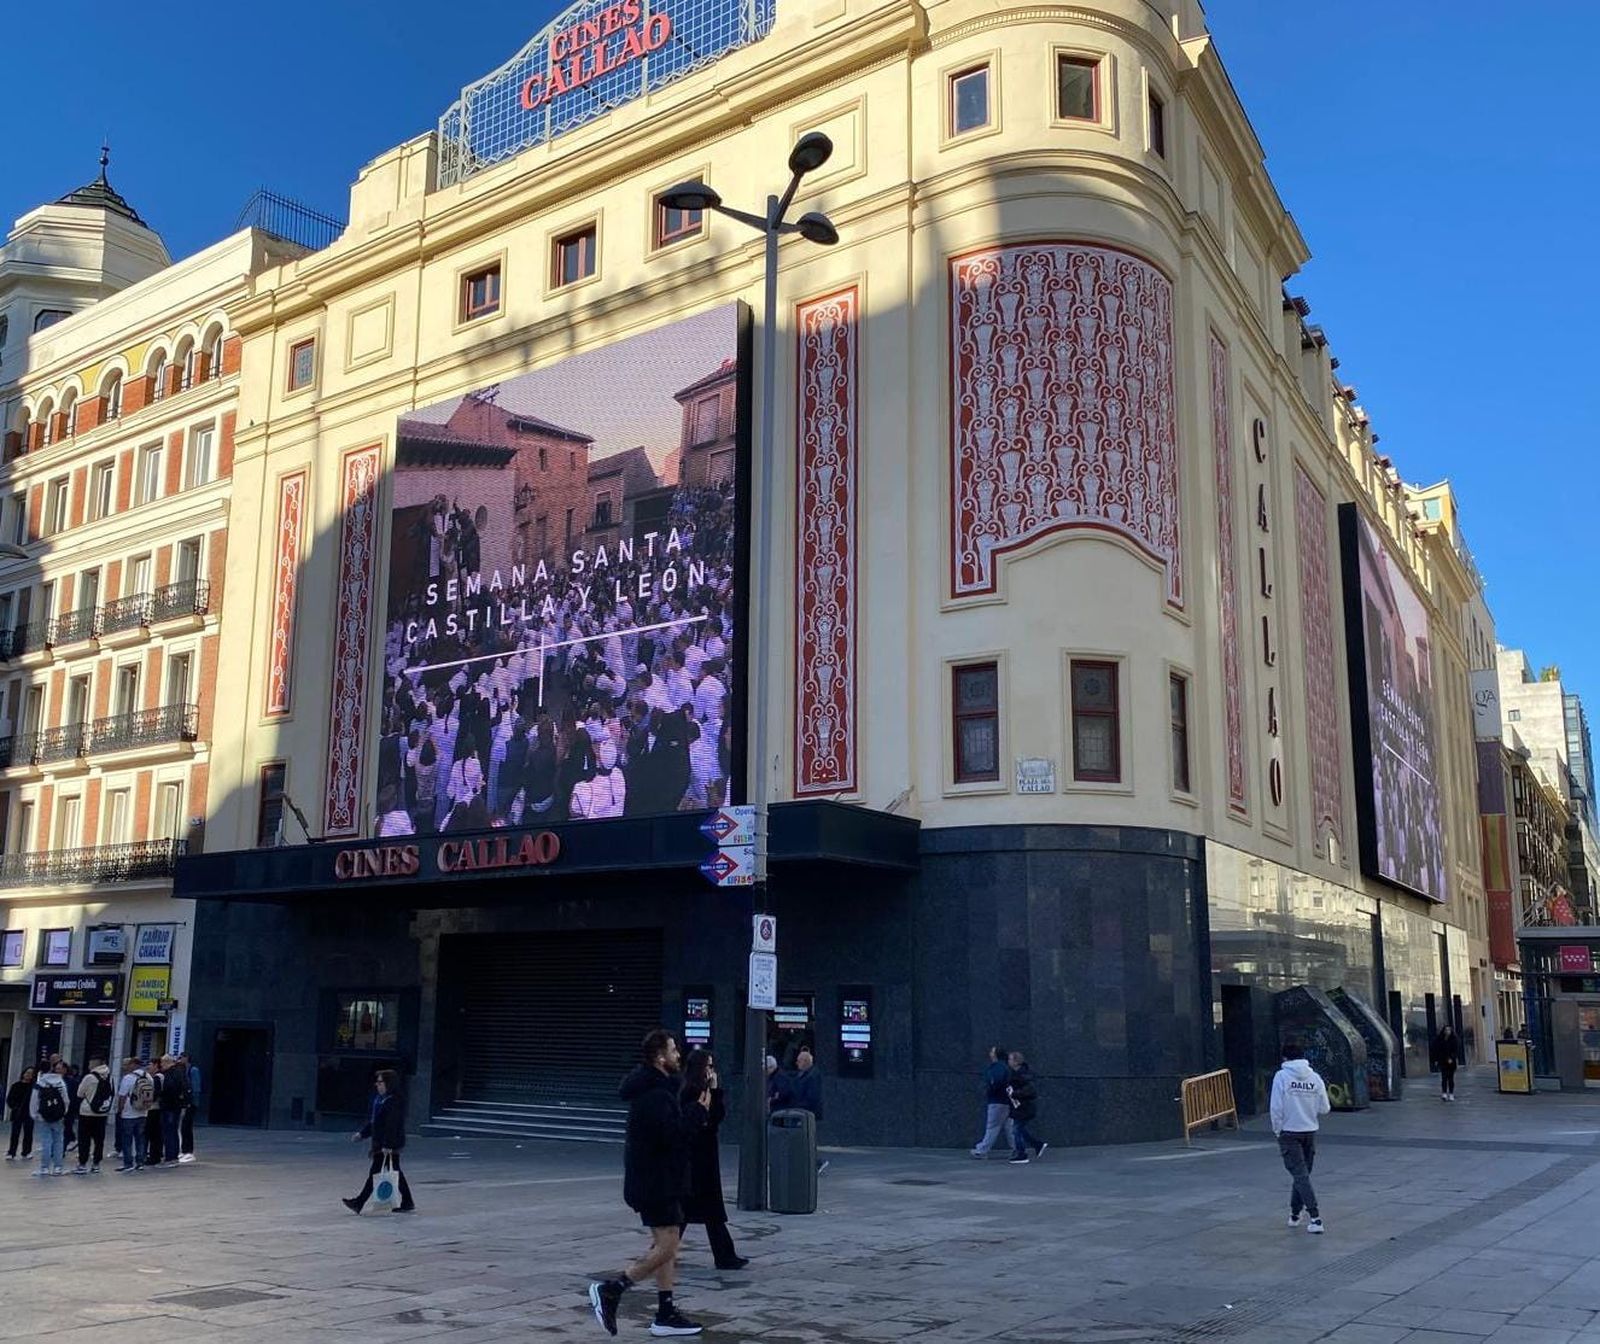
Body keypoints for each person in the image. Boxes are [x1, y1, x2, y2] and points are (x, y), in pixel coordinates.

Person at [588, 1029, 706, 1338]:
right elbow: (674, 1136)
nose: (678, 1054)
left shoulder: (658, 1088)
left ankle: (665, 1311)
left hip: (659, 1180)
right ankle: (613, 1288)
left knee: (665, 1244)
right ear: (659, 1057)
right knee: (669, 1244)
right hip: (656, 1181)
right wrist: (699, 1111)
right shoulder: (653, 1095)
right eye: (673, 1050)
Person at [678, 1049, 748, 1270]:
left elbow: (716, 1117)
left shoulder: (704, 1090)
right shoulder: (691, 1091)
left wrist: (716, 1091)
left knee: (707, 1212)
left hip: (705, 1158)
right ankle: (662, 1253)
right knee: (691, 1211)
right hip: (696, 1159)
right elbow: (703, 1121)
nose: (711, 1070)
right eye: (708, 1066)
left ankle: (725, 1255)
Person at [1270, 1038, 1330, 1234]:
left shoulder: (1281, 1076)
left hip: (1289, 1132)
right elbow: (1325, 1108)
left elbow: (1276, 1108)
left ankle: (1315, 1217)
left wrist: (1277, 1130)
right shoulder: (1315, 1078)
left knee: (1300, 1176)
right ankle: (1295, 1214)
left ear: (1285, 1058)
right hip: (1309, 1131)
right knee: (1302, 1175)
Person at [342, 1068, 415, 1214]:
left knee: (377, 1172)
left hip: (387, 1145)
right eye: (377, 1082)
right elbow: (375, 1122)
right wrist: (362, 1134)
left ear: (389, 1084)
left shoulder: (393, 1101)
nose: (377, 1085)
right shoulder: (381, 1100)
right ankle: (407, 1201)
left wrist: (388, 1145)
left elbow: (391, 1125)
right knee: (394, 1171)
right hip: (382, 1144)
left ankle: (359, 1202)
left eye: (380, 1082)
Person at [785, 1046, 827, 1174]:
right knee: (803, 1139)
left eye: (799, 1061)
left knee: (805, 1139)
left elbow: (812, 1097)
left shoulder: (812, 1076)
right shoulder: (804, 1074)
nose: (796, 1063)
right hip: (803, 1111)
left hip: (807, 1112)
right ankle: (812, 1163)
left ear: (806, 1062)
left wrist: (798, 1106)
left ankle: (816, 1163)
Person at [971, 1046, 1015, 1160]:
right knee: (1009, 1127)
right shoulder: (1007, 1067)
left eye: (992, 1051)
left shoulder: (997, 1067)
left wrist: (989, 1090)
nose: (990, 1053)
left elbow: (995, 1081)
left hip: (997, 1101)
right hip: (1007, 1100)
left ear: (995, 1054)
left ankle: (982, 1150)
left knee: (992, 1126)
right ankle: (1018, 1148)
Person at [1005, 1051, 1048, 1164]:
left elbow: (1030, 1091)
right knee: (1019, 1129)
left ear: (1016, 1062)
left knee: (1016, 1129)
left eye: (1010, 1059)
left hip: (1023, 1107)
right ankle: (1036, 1145)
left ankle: (1022, 1154)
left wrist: (1014, 1094)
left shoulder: (1023, 1075)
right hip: (1021, 1107)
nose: (1008, 1061)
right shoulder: (1019, 1073)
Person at [31, 1058, 72, 1177]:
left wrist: (35, 1114)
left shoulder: (41, 1082)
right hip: (58, 1117)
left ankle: (44, 1168)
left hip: (44, 1116)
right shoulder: (60, 1082)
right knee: (58, 1141)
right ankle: (58, 1167)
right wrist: (63, 1113)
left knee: (46, 1142)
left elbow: (34, 1100)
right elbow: (66, 1100)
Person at [73, 1058, 113, 1174]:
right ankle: (96, 1163)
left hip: (87, 1112)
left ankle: (82, 1163)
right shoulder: (110, 1077)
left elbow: (79, 1093)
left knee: (84, 1139)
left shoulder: (89, 1077)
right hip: (102, 1112)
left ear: (95, 1064)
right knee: (99, 1140)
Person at [116, 1057, 154, 1172]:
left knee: (127, 1139)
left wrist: (120, 1110)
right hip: (143, 1112)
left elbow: (122, 1096)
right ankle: (140, 1162)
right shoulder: (149, 1077)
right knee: (140, 1138)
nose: (126, 1067)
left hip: (129, 1113)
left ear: (133, 1065)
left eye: (128, 1064)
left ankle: (128, 1164)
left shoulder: (128, 1078)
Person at [158, 1055, 188, 1164]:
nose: (161, 1065)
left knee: (169, 1131)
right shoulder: (179, 1072)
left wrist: (161, 1094)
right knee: (173, 1131)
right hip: (176, 1106)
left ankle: (170, 1157)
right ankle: (173, 1155)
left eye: (162, 1063)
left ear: (166, 1062)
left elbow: (169, 1088)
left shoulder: (170, 1073)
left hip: (169, 1106)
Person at [5, 1065, 36, 1162]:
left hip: (29, 1112)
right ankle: (11, 1152)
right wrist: (14, 1107)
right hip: (17, 1112)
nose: (28, 1075)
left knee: (28, 1133)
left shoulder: (34, 1087)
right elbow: (9, 1099)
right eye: (27, 1073)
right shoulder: (16, 1085)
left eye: (31, 1074)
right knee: (15, 1133)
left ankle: (26, 1152)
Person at [179, 1053, 200, 1162]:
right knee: (183, 1127)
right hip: (185, 1102)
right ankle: (184, 1150)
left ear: (186, 1058)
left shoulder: (193, 1070)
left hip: (191, 1103)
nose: (180, 1059)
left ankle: (189, 1151)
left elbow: (195, 1087)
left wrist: (191, 1101)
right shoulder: (184, 1070)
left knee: (187, 1126)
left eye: (182, 1057)